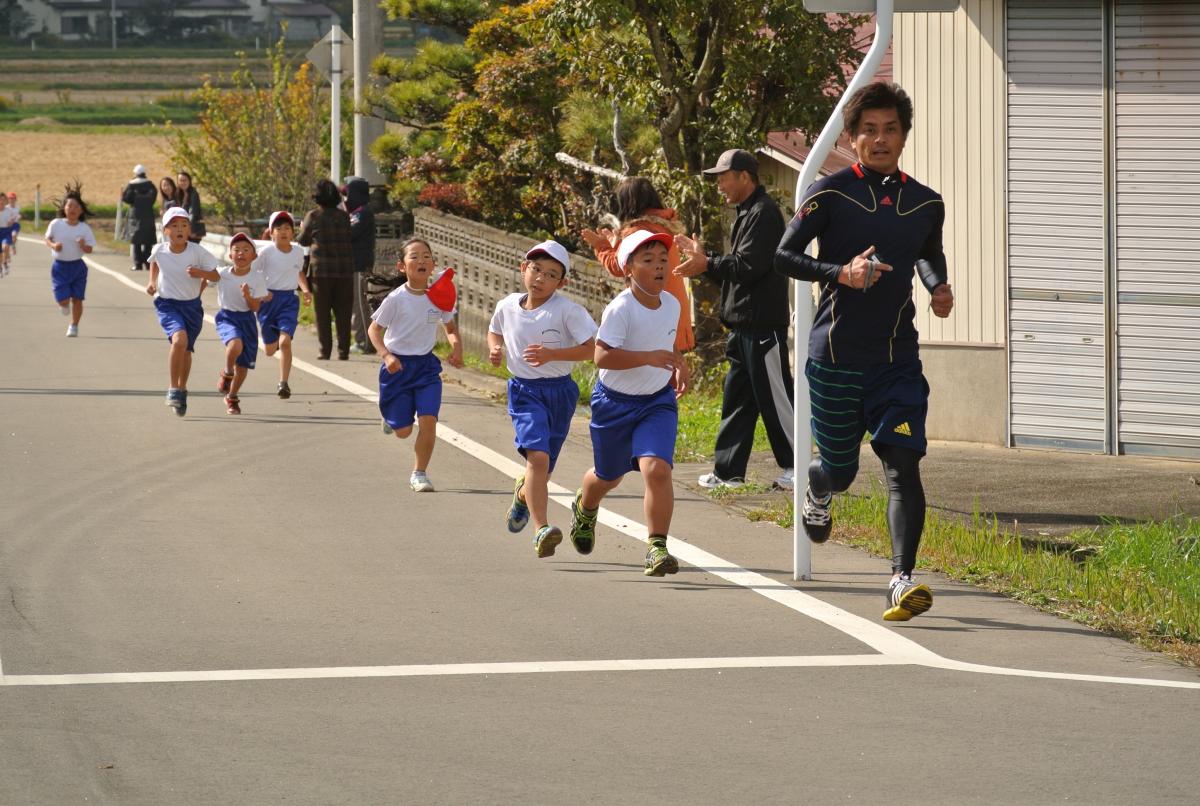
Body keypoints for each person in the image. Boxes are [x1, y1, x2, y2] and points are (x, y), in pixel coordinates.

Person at [774, 81, 954, 622]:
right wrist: (840, 274)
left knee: (903, 466)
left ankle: (901, 580)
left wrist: (938, 287)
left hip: (897, 360)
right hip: (834, 357)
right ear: (851, 138)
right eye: (869, 130)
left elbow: (928, 254)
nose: (880, 139)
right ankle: (818, 484)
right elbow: (785, 256)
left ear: (903, 136)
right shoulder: (829, 194)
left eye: (890, 130)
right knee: (842, 470)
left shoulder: (925, 202)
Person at [567, 229, 690, 577]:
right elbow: (601, 356)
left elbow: (666, 345)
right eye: (648, 260)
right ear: (628, 269)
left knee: (657, 469)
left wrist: (678, 364)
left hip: (656, 402)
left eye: (663, 260)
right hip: (614, 404)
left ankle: (657, 547)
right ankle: (585, 508)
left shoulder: (673, 304)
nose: (659, 266)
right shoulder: (621, 308)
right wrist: (647, 358)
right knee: (608, 477)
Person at [675, 148, 794, 491]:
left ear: (745, 176)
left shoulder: (764, 213)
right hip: (742, 327)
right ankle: (729, 474)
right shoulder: (747, 212)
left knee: (776, 399)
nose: (719, 185)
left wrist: (707, 263)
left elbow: (749, 267)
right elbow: (738, 269)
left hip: (761, 326)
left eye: (723, 177)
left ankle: (798, 467)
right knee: (737, 402)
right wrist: (706, 261)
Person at [488, 240, 598, 557]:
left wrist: (554, 354)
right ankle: (541, 530)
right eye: (536, 269)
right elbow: (494, 330)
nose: (540, 278)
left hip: (560, 392)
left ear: (561, 283)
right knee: (538, 459)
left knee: (543, 470)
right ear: (524, 268)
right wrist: (495, 348)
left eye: (551, 274)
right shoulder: (507, 305)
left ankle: (523, 496)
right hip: (524, 391)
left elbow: (592, 349)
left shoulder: (568, 311)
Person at [367, 238, 464, 493]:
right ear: (402, 266)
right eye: (414, 256)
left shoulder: (439, 298)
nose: (421, 260)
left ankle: (419, 473)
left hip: (426, 368)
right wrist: (386, 356)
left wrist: (457, 348)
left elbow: (451, 328)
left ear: (433, 265)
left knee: (429, 419)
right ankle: (392, 418)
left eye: (426, 256)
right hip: (396, 368)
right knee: (403, 432)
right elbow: (374, 330)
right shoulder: (396, 299)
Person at [580, 177, 695, 353]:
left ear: (626, 203)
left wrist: (601, 246)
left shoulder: (637, 230)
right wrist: (617, 244)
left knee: (657, 373)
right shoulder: (664, 226)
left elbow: (620, 267)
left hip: (651, 310)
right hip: (674, 309)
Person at [146, 207, 220, 417]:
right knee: (179, 341)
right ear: (166, 230)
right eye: (174, 225)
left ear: (189, 229)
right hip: (168, 304)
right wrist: (152, 282)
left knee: (186, 350)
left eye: (183, 225)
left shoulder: (197, 252)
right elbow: (154, 264)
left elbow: (215, 276)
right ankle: (173, 387)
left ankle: (182, 388)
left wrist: (200, 273)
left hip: (192, 307)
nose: (179, 229)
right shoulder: (160, 250)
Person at [189, 232, 270, 415]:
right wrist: (195, 296)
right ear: (230, 256)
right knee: (235, 345)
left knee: (242, 366)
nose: (241, 253)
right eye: (236, 250)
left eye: (246, 250)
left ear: (254, 256)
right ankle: (226, 373)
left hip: (247, 320)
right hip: (227, 317)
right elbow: (207, 277)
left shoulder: (257, 279)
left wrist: (248, 296)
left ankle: (232, 397)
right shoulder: (223, 274)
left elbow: (256, 307)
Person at [254, 211, 312, 399]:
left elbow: (298, 273)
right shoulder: (266, 252)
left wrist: (305, 290)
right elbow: (254, 273)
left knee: (285, 342)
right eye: (278, 229)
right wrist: (261, 292)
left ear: (293, 232)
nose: (284, 232)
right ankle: (273, 341)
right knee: (270, 350)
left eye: (287, 228)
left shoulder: (296, 251)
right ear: (271, 233)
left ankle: (283, 383)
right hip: (268, 301)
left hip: (288, 300)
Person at [298, 178, 355, 360]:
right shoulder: (344, 217)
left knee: (322, 312)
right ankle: (343, 351)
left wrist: (301, 229)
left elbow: (303, 240)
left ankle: (325, 351)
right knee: (343, 312)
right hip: (345, 270)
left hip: (321, 271)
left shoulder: (313, 216)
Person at [43, 190, 96, 338]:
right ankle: (63, 304)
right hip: (60, 267)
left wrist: (83, 245)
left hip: (78, 267)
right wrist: (53, 245)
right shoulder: (56, 224)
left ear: (81, 210)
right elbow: (47, 239)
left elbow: (90, 249)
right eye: (70, 206)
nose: (73, 209)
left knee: (78, 299)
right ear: (64, 209)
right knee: (64, 300)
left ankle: (74, 325)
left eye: (76, 207)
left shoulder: (84, 228)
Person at [343, 176, 377, 355]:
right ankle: (362, 339)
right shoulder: (355, 212)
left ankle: (366, 342)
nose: (346, 199)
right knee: (356, 303)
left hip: (360, 264)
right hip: (353, 264)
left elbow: (349, 233)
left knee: (360, 304)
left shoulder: (363, 213)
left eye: (347, 194)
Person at [122, 165, 158, 271]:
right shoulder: (150, 185)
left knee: (136, 241)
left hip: (135, 215)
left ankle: (137, 264)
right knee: (148, 241)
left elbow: (126, 198)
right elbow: (153, 198)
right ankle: (147, 264)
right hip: (148, 215)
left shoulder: (131, 185)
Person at [175, 171, 205, 243]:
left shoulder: (193, 193)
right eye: (181, 180)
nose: (183, 182)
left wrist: (189, 229)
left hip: (193, 229)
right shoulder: (179, 194)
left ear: (189, 181)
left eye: (185, 180)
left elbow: (193, 212)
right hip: (183, 229)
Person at [0, 190, 17, 276]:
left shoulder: (9, 210)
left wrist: (11, 222)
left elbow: (13, 219)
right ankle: (2, 266)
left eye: (3, 199)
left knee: (5, 247)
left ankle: (5, 263)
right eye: (0, 199)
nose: (2, 201)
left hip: (6, 231)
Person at [6, 191, 18, 258]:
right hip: (7, 225)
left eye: (13, 198)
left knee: (14, 234)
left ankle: (13, 245)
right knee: (7, 241)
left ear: (15, 199)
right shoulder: (6, 208)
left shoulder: (17, 207)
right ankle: (7, 255)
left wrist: (19, 216)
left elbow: (19, 214)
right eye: (10, 198)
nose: (11, 200)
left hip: (15, 225)